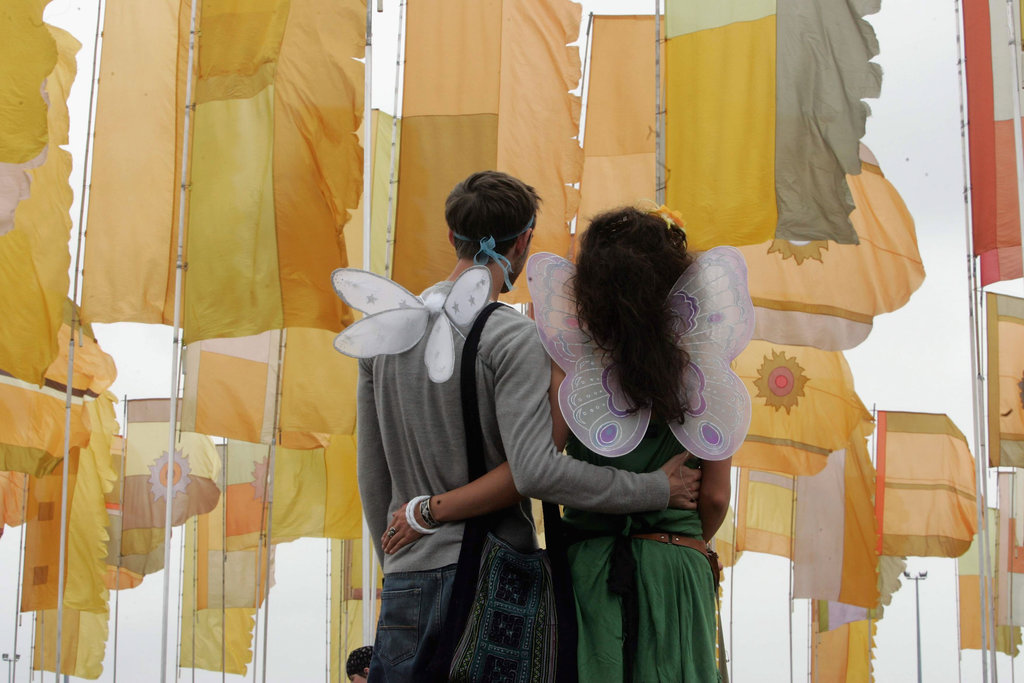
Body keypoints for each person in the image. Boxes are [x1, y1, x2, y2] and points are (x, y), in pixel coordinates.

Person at [354, 172, 701, 682]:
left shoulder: (385, 332)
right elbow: (535, 471)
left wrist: (397, 556)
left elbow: (372, 474)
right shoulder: (512, 339)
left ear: (452, 237)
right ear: (523, 243)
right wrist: (653, 488)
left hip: (407, 572)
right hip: (488, 579)